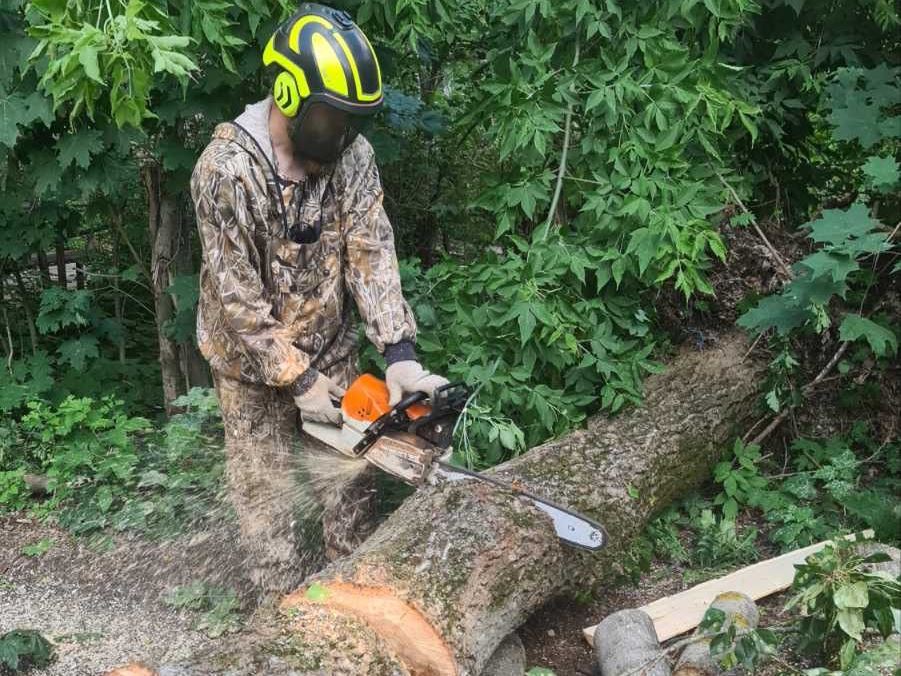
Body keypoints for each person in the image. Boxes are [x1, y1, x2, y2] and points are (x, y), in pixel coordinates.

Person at [190, 2, 448, 594]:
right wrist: (297, 380)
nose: (343, 135)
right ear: (289, 94)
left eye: (351, 121)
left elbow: (371, 251)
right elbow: (237, 300)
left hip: (330, 347)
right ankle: (280, 631)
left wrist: (400, 351)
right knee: (269, 515)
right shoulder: (227, 170)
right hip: (249, 370)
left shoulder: (350, 158)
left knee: (352, 502)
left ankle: (352, 614)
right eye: (332, 120)